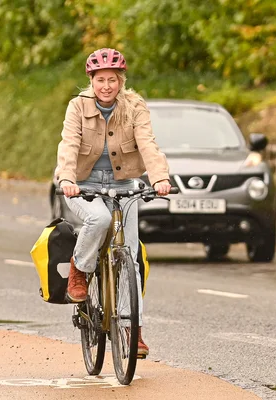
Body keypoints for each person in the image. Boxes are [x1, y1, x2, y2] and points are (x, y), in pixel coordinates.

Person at [56, 47, 170, 358]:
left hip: (125, 185)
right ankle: (79, 268)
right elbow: (69, 144)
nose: (106, 86)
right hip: (84, 185)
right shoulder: (78, 107)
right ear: (91, 81)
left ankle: (132, 329)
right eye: (100, 80)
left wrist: (159, 178)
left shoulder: (135, 107)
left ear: (121, 81)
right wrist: (67, 179)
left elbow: (147, 142)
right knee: (100, 220)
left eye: (113, 80)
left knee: (130, 256)